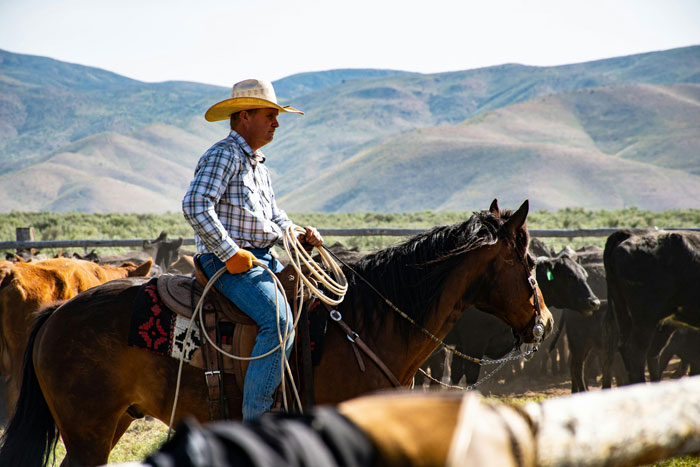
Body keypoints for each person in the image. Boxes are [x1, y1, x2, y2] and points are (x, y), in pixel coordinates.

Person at [182, 78, 323, 421]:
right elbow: (195, 205)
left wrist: (298, 233)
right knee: (277, 322)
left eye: (277, 116)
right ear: (244, 116)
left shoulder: (259, 165)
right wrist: (229, 252)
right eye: (269, 115)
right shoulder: (223, 155)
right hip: (225, 262)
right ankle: (255, 422)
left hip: (261, 260)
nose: (276, 122)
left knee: (316, 304)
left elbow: (275, 216)